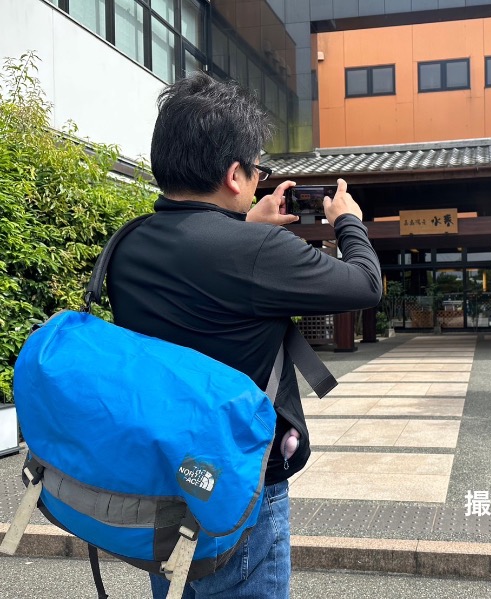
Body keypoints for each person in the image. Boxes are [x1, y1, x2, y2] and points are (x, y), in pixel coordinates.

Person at [106, 72, 382, 598]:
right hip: (241, 490)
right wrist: (348, 220)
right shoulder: (258, 254)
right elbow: (367, 285)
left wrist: (248, 225)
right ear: (235, 174)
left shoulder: (128, 245)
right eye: (256, 170)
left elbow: (202, 287)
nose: (259, 179)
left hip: (167, 483)